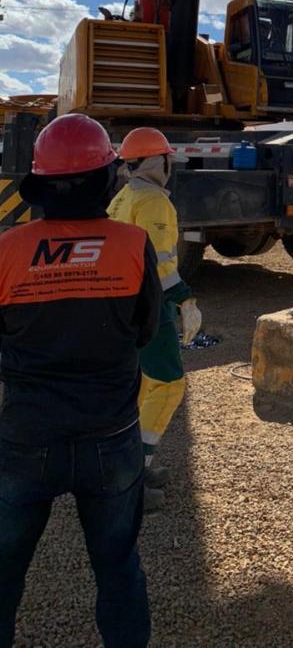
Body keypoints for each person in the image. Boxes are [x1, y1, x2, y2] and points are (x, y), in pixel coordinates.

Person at [0, 113, 160, 648]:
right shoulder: (134, 244)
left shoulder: (7, 250)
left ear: (41, 183)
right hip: (111, 438)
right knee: (118, 571)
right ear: (107, 178)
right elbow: (145, 331)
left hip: (25, 438)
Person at [108, 127, 202, 513]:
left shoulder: (123, 196)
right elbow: (159, 265)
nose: (170, 167)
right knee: (167, 385)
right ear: (158, 161)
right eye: (167, 160)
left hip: (122, 306)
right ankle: (130, 478)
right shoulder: (153, 202)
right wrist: (185, 301)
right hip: (147, 307)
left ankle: (131, 466)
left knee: (142, 386)